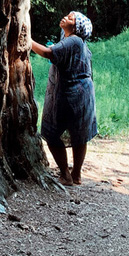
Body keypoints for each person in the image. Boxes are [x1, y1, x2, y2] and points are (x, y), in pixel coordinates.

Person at [31, 11, 97, 185]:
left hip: (70, 94)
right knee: (79, 134)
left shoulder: (73, 40)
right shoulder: (78, 43)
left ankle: (65, 175)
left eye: (70, 18)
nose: (65, 18)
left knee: (52, 133)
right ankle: (76, 174)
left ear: (76, 27)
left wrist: (28, 41)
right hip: (83, 94)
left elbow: (48, 53)